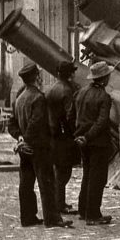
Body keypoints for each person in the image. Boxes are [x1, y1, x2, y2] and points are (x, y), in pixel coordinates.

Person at [8, 61, 73, 230]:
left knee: (26, 183)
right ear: (36, 78)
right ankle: (52, 219)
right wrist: (26, 140)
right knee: (47, 183)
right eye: (39, 75)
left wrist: (20, 139)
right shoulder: (38, 98)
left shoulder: (19, 98)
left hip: (25, 149)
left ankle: (27, 217)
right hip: (39, 148)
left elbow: (12, 124)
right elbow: (36, 124)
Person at [74, 60, 114, 225]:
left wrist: (80, 135)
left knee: (87, 175)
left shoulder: (81, 92)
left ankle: (83, 210)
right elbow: (102, 121)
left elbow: (73, 115)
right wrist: (89, 136)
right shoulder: (104, 96)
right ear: (104, 78)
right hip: (97, 142)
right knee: (97, 178)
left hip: (83, 141)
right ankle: (93, 214)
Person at [45, 59, 79, 215]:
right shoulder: (66, 90)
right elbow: (70, 115)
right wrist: (75, 133)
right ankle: (59, 205)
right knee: (64, 172)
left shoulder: (51, 88)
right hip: (64, 136)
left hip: (52, 135)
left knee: (58, 170)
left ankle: (59, 202)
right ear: (70, 74)